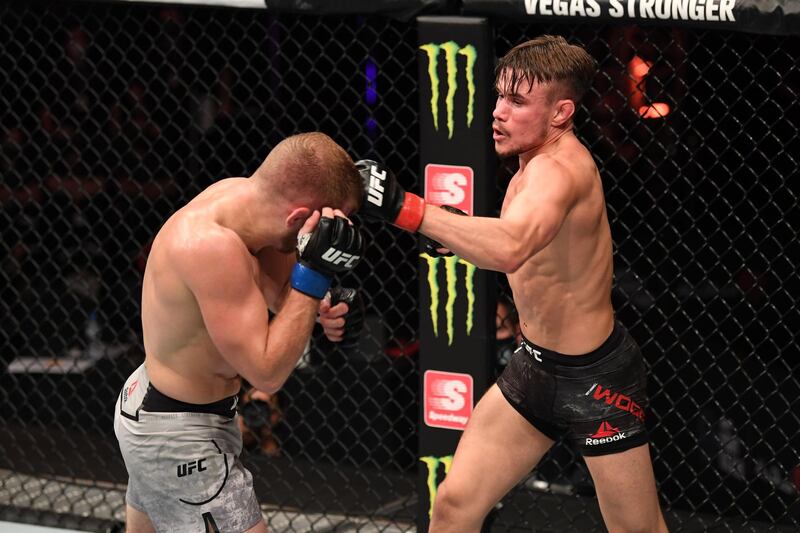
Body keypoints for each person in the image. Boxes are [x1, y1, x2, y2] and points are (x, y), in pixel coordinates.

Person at [358, 36, 669, 533]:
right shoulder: (528, 163)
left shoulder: (557, 170)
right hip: (535, 368)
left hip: (595, 381)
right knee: (455, 506)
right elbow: (518, 250)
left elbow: (510, 247)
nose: (499, 112)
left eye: (518, 102)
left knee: (637, 530)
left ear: (561, 112)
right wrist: (457, 235)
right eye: (500, 96)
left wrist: (406, 208)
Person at [114, 132, 364, 533]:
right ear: (299, 218)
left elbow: (283, 297)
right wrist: (315, 273)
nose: (328, 234)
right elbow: (267, 373)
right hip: (179, 432)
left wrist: (324, 307)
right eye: (323, 227)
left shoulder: (246, 203)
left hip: (170, 411)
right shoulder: (211, 247)